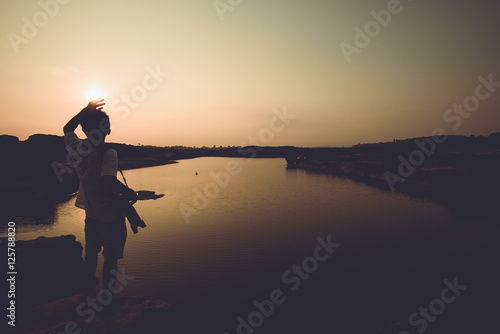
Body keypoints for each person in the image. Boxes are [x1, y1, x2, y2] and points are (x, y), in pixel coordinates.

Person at [63, 98, 137, 298]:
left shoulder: (78, 150)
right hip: (111, 217)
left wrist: (83, 111)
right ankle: (107, 297)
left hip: (92, 215)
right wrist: (130, 193)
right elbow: (107, 181)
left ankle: (88, 294)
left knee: (91, 254)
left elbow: (67, 128)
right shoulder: (109, 153)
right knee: (111, 259)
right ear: (108, 130)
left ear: (85, 130)